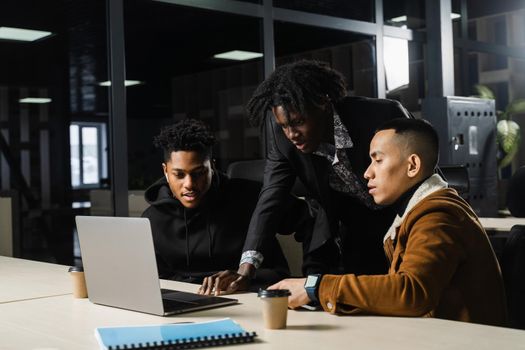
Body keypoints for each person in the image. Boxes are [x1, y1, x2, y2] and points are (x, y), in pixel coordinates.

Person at [200, 59, 412, 295]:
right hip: (345, 228)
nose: (291, 134)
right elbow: (270, 199)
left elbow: (425, 179)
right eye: (283, 126)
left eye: (298, 122)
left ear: (323, 103)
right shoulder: (284, 137)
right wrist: (245, 270)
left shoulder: (381, 115)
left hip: (400, 221)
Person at [270, 118, 507, 326]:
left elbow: (411, 292)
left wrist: (315, 287)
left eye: (378, 160)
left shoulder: (437, 216)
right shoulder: (418, 211)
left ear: (412, 165)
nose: (367, 173)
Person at [142, 118, 290, 289]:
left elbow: (279, 273)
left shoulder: (248, 200)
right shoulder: (152, 219)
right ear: (165, 171)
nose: (189, 184)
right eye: (179, 175)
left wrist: (244, 278)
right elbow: (153, 281)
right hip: (181, 305)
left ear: (212, 167)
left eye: (198, 173)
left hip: (245, 301)